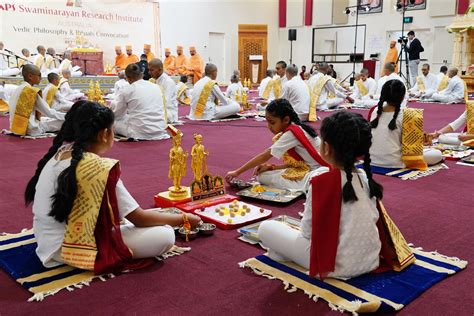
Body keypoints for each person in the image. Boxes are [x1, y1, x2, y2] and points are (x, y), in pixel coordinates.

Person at [25, 101, 201, 271]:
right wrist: (184, 219)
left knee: (149, 217)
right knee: (165, 235)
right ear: (104, 134)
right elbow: (139, 218)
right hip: (72, 247)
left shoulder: (60, 152)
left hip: (44, 238)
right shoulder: (97, 167)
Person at [258, 111, 385, 279]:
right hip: (370, 260)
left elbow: (307, 234)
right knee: (283, 244)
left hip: (335, 265)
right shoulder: (365, 177)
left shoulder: (321, 180)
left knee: (266, 228)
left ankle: (284, 255)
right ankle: (283, 254)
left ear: (326, 147)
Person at [225, 99, 324, 191]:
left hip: (318, 172)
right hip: (308, 169)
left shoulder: (292, 133)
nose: (269, 126)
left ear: (286, 120)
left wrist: (237, 172)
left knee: (264, 178)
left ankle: (313, 186)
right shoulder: (294, 129)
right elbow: (298, 164)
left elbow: (265, 156)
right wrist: (272, 167)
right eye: (267, 122)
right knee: (263, 175)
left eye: (272, 122)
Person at [369, 79, 442, 168]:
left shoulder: (375, 111)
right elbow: (412, 149)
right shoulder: (409, 114)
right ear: (403, 97)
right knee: (437, 154)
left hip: (371, 160)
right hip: (395, 162)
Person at [113, 63, 169, 140]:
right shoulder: (156, 87)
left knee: (113, 122)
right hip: (159, 129)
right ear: (141, 75)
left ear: (128, 78)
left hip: (139, 133)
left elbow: (117, 114)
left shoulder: (127, 89)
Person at [8, 65, 65, 136]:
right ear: (30, 76)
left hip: (15, 127)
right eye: (39, 75)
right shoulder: (31, 92)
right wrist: (68, 116)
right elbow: (49, 112)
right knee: (64, 121)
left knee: (46, 119)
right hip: (31, 129)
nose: (41, 78)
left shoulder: (17, 89)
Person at [148, 58, 179, 123]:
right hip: (157, 109)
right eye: (149, 70)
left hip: (168, 112)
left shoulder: (168, 82)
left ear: (160, 70)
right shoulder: (153, 80)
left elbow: (165, 102)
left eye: (151, 70)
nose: (149, 72)